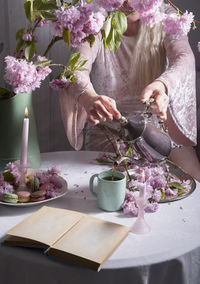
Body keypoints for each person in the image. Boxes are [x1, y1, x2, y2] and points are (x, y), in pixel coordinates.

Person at [59, 2, 200, 182]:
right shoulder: (95, 19)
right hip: (109, 130)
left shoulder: (167, 16)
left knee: (193, 181)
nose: (129, 2)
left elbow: (184, 57)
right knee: (120, 187)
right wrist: (88, 97)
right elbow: (76, 68)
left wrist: (163, 85)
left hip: (159, 130)